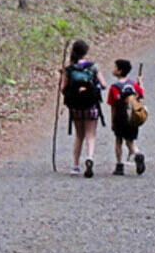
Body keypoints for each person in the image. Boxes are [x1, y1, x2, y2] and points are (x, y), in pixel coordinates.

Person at [59, 39, 108, 177]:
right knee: (91, 135)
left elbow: (63, 89)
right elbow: (104, 85)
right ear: (86, 51)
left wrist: (62, 76)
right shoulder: (93, 67)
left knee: (79, 135)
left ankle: (75, 165)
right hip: (91, 105)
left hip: (76, 107)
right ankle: (90, 157)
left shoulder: (69, 69)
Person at [107, 58, 146, 175]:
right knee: (130, 141)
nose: (112, 69)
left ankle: (119, 165)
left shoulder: (114, 87)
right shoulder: (133, 84)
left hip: (120, 118)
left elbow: (113, 106)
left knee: (118, 140)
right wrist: (140, 82)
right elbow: (141, 94)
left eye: (114, 67)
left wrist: (112, 121)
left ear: (119, 71)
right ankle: (137, 154)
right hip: (132, 118)